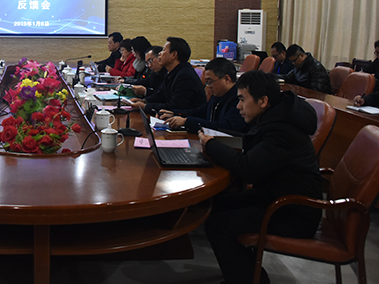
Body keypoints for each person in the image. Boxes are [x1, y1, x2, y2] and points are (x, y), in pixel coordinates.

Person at [199, 71, 322, 284]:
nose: (238, 106)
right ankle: (248, 274)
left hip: (293, 212)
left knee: (219, 225)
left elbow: (248, 169)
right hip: (276, 196)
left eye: (242, 99)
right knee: (213, 206)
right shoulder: (276, 116)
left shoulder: (282, 130)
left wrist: (212, 146)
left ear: (263, 101)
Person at [159, 58, 248, 135]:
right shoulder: (217, 95)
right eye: (207, 82)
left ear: (226, 79)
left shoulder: (239, 99)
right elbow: (200, 111)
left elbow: (225, 127)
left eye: (210, 81)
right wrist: (175, 114)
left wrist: (187, 121)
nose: (209, 86)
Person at [132, 37, 207, 114]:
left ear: (174, 55)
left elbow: (174, 106)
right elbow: (161, 95)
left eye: (164, 50)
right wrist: (144, 101)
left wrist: (145, 106)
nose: (159, 53)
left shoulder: (185, 76)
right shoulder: (171, 72)